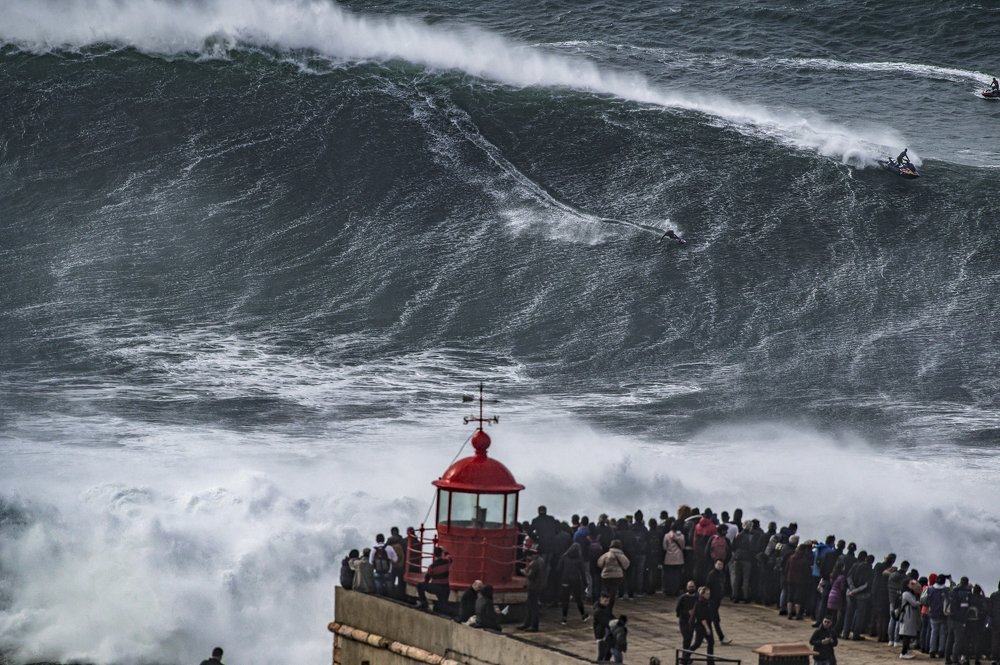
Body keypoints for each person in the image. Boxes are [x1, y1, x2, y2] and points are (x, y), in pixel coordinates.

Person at [558, 542, 589, 624]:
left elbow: (559, 568)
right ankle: (583, 615)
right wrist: (585, 582)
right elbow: (582, 572)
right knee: (578, 599)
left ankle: (564, 618)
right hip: (576, 580)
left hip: (565, 579)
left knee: (565, 599)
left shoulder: (564, 557)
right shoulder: (579, 558)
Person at [598, 539, 630, 612]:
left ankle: (604, 606)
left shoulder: (606, 554)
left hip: (606, 575)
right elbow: (626, 564)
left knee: (606, 591)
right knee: (613, 592)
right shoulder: (621, 555)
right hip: (617, 576)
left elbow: (599, 563)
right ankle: (609, 608)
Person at [416, 547, 451, 611]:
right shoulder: (447, 562)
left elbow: (426, 579)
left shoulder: (432, 567)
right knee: (444, 607)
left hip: (436, 588)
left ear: (434, 555)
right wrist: (444, 550)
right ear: (441, 554)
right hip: (446, 588)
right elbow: (449, 557)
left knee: (419, 585)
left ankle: (424, 603)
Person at [689, 586, 717, 665]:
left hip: (707, 625)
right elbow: (702, 618)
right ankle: (685, 657)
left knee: (711, 642)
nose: (709, 595)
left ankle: (710, 662)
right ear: (702, 594)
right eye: (707, 594)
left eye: (709, 594)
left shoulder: (707, 602)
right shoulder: (700, 603)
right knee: (697, 644)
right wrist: (707, 629)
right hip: (701, 626)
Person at [898, 579, 922, 659]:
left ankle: (906, 651)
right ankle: (903, 653)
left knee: (908, 635)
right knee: (906, 635)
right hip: (907, 616)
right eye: (911, 584)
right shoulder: (906, 594)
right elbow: (914, 604)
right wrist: (921, 602)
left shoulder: (909, 593)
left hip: (909, 615)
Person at [677, 581, 699, 664]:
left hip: (692, 622)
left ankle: (685, 658)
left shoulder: (697, 597)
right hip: (683, 621)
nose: (691, 588)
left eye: (692, 587)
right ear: (687, 587)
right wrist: (687, 612)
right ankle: (684, 658)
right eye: (690, 587)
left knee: (689, 639)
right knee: (686, 638)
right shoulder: (683, 598)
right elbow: (678, 610)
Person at [593, 592, 614, 662]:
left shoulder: (604, 608)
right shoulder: (598, 611)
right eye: (605, 601)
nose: (607, 603)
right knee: (602, 654)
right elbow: (606, 622)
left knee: (609, 653)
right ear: (601, 599)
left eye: (608, 601)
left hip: (606, 634)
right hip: (601, 635)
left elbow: (611, 616)